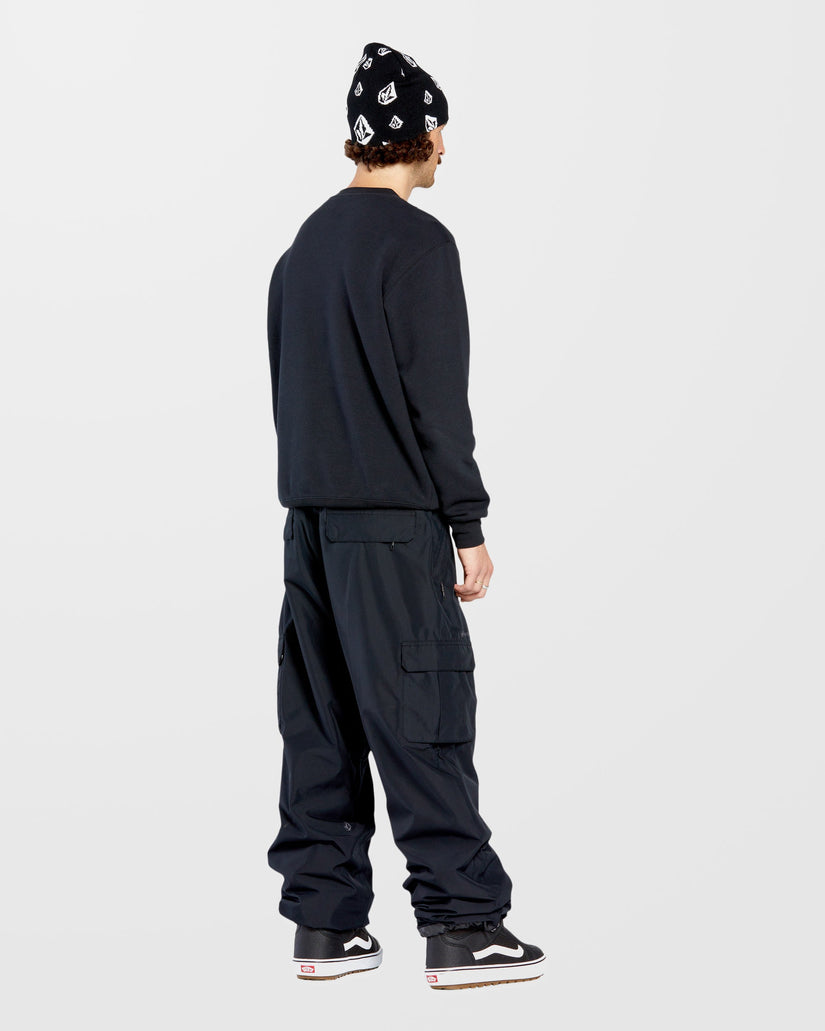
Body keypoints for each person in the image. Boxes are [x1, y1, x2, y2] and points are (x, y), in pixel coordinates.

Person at [265, 41, 545, 990]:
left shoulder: (302, 248)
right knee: (423, 715)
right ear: (417, 134)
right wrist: (466, 523)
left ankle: (326, 924)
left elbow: (291, 391)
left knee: (322, 722)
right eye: (440, 133)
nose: (445, 150)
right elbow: (436, 402)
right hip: (390, 525)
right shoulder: (418, 244)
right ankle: (464, 925)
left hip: (308, 525)